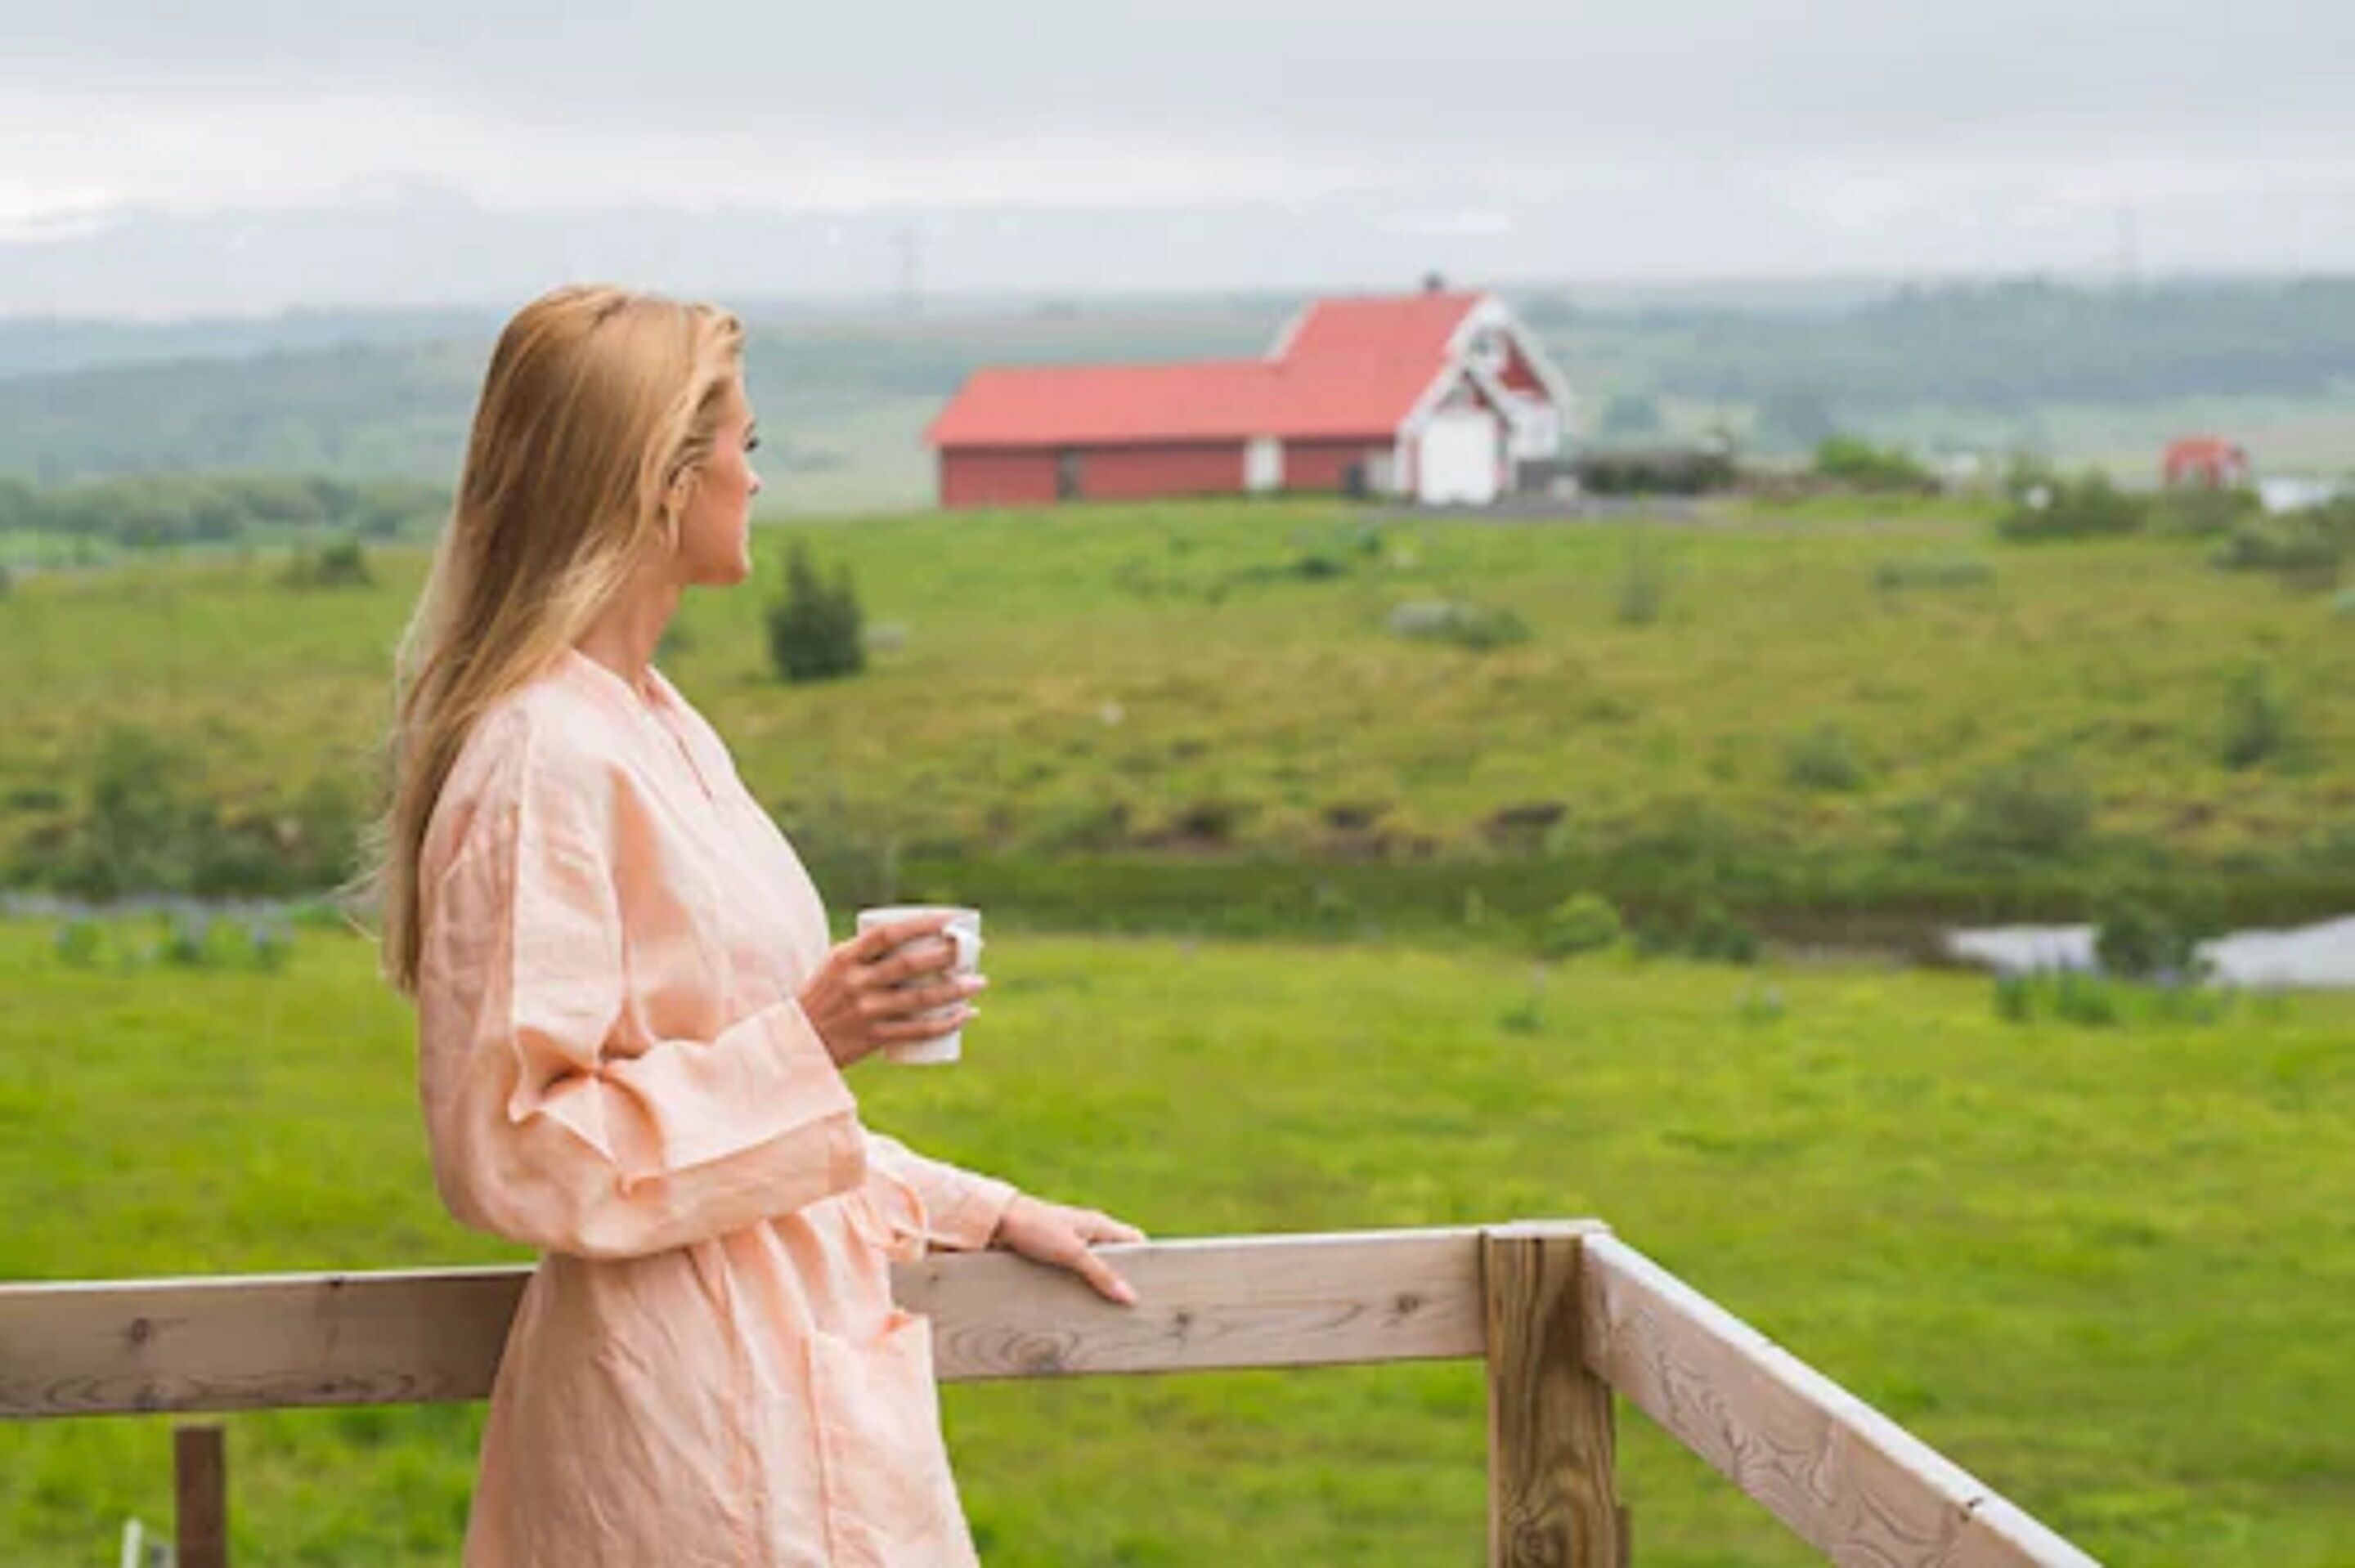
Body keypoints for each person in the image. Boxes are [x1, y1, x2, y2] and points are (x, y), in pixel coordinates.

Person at [361, 283, 1144, 1565]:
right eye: (747, 446)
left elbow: (736, 1121)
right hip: (680, 1421)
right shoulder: (539, 755)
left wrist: (982, 1211)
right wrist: (818, 1033)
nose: (757, 482)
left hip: (792, 1367)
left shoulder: (655, 720)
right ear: (659, 477)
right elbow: (514, 1148)